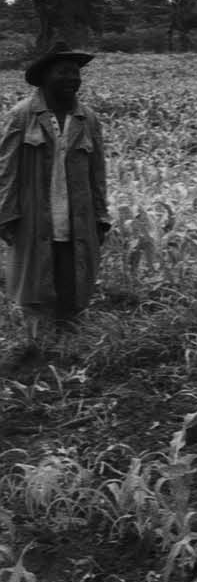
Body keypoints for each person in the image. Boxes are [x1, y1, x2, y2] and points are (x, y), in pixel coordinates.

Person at [1, 43, 109, 363]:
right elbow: (6, 169)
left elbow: (98, 171)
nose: (71, 79)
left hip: (77, 217)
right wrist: (6, 214)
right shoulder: (22, 116)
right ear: (45, 77)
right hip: (35, 216)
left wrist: (101, 215)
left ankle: (69, 354)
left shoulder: (87, 118)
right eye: (63, 72)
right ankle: (39, 353)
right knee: (35, 284)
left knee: (73, 281)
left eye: (75, 73)